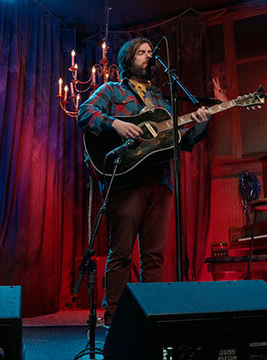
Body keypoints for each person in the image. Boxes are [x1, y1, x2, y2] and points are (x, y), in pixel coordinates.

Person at [77, 37, 210, 325]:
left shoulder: (161, 99)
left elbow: (179, 145)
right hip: (126, 182)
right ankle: (113, 317)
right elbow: (84, 113)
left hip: (160, 182)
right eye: (142, 52)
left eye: (151, 52)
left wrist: (199, 126)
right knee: (121, 252)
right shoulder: (112, 90)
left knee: (154, 256)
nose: (149, 56)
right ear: (128, 59)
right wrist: (115, 124)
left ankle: (151, 316)